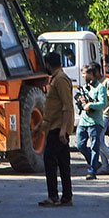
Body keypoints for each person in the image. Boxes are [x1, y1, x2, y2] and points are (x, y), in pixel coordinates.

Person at [40, 52, 75, 206]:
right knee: (62, 163)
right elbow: (53, 108)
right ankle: (66, 196)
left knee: (51, 161)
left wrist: (63, 130)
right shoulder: (57, 78)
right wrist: (39, 128)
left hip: (58, 129)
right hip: (55, 126)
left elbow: (67, 106)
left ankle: (53, 196)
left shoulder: (60, 80)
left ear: (48, 63)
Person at [76, 63, 109, 180]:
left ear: (91, 74)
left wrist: (91, 105)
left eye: (84, 74)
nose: (83, 77)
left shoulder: (100, 87)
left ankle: (92, 171)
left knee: (94, 147)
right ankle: (94, 163)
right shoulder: (85, 87)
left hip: (95, 122)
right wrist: (81, 101)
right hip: (83, 121)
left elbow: (103, 103)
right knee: (80, 144)